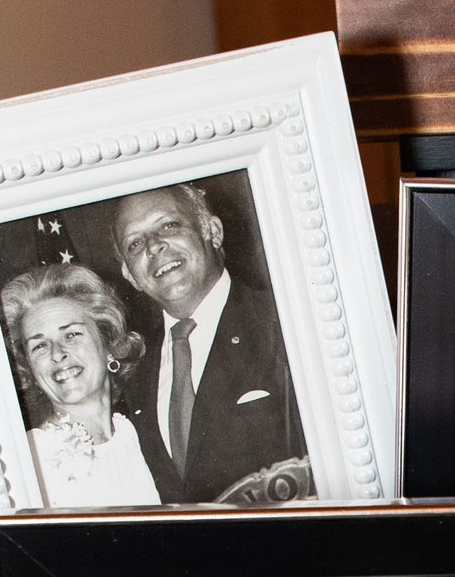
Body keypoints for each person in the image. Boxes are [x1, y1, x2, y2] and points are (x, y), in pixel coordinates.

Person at [108, 181, 309, 504]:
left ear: (213, 232)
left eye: (169, 225)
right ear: (129, 274)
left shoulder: (288, 320)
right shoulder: (133, 376)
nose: (153, 247)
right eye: (135, 243)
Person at [0, 260, 160, 507]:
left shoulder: (134, 433)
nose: (57, 353)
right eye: (39, 345)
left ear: (109, 345)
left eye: (71, 334)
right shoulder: (30, 458)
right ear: (29, 368)